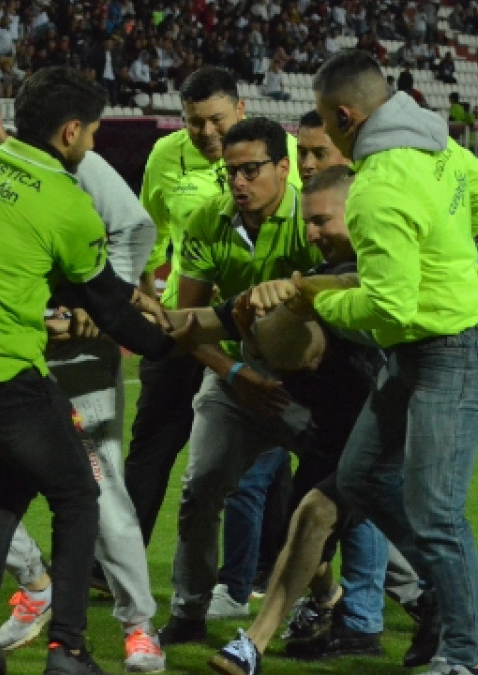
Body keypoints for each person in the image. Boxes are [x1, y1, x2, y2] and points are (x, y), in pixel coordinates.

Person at [0, 66, 194, 675]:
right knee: (81, 494)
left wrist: (83, 304)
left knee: (13, 476)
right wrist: (166, 345)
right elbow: (105, 298)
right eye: (94, 132)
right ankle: (70, 648)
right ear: (73, 130)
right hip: (2, 369)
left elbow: (66, 252)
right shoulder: (64, 200)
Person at [209, 168, 478, 675]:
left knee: (419, 492)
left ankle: (459, 640)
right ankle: (443, 600)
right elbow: (216, 317)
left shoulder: (394, 235)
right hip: (415, 374)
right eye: (310, 221)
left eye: (323, 219)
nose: (313, 232)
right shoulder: (345, 257)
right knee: (333, 496)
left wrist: (295, 290)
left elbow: (366, 288)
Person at [310, 49, 478, 675]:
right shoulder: (436, 141)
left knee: (436, 516)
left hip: (451, 353)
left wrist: (322, 304)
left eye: (324, 124)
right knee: (362, 474)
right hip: (432, 348)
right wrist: (443, 252)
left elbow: (388, 309)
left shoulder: (374, 189)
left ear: (345, 115)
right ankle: (459, 594)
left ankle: (464, 660)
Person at [156, 117, 322, 646]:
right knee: (200, 488)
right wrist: (234, 373)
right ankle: (188, 611)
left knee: (355, 488)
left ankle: (399, 601)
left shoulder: (312, 219)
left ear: (283, 167)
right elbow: (187, 322)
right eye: (232, 172)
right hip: (232, 379)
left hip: (310, 385)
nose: (239, 183)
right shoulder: (209, 219)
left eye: (251, 170)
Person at [126, 66, 248, 547]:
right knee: (152, 441)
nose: (205, 132)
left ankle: (260, 566)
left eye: (216, 119)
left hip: (248, 327)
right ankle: (116, 561)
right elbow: (149, 234)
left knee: (259, 453)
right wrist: (148, 297)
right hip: (181, 322)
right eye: (194, 122)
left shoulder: (281, 152)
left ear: (240, 110)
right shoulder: (165, 155)